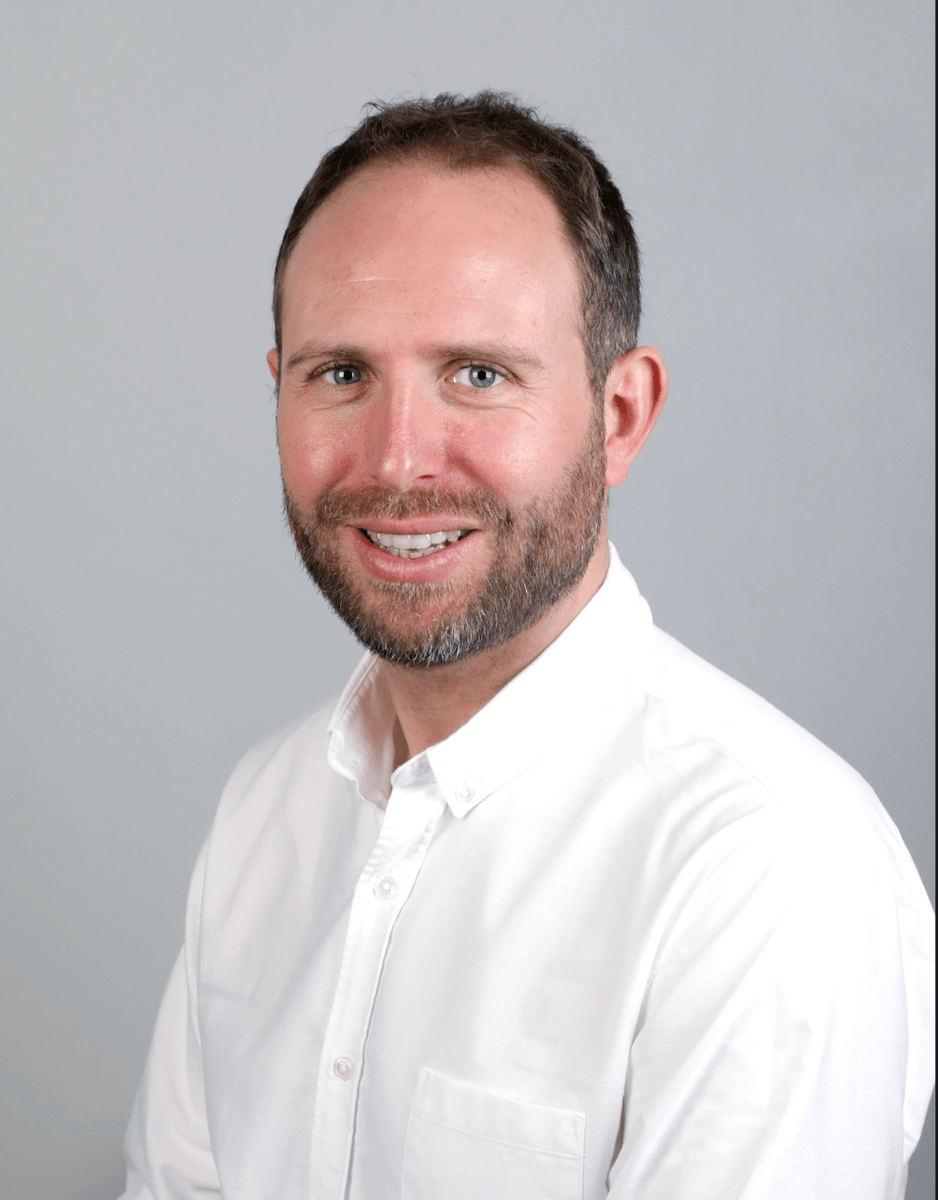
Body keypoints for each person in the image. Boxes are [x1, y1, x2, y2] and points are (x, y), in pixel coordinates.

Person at [119, 92, 934, 1200]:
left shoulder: (766, 866)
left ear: (620, 416)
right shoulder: (264, 811)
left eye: (479, 374)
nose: (398, 460)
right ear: (279, 395)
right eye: (341, 374)